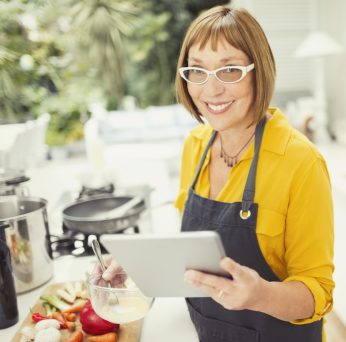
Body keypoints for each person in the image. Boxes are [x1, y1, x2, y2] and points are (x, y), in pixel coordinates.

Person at [102, 5, 334, 342]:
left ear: (260, 71)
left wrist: (261, 295)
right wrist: (140, 263)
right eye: (197, 71)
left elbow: (319, 293)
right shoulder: (195, 144)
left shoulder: (300, 162)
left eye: (230, 70)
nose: (211, 91)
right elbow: (193, 251)